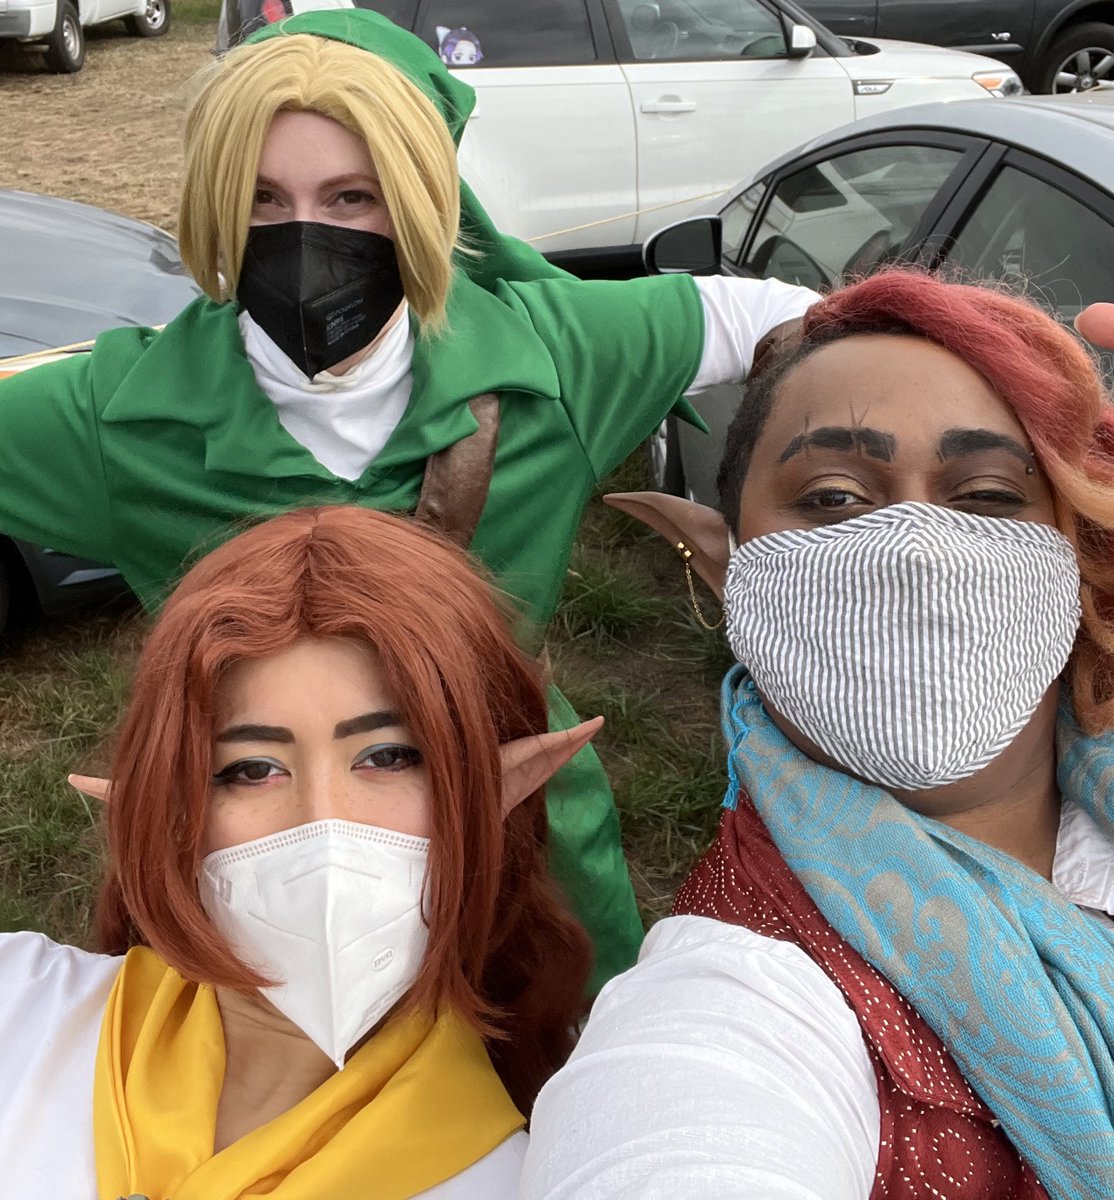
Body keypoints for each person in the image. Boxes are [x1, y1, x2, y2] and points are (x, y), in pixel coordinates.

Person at [0, 9, 816, 990]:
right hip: (269, 857)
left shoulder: (556, 355)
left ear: (422, 201)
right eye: (261, 199)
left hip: (519, 836)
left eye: (353, 197)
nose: (305, 236)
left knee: (550, 1046)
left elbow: (794, 320)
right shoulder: (118, 415)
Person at [521, 270, 1114, 1200]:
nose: (917, 549)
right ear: (727, 566)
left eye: (989, 495)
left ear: (1077, 550)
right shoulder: (730, 1003)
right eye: (834, 496)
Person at [0, 504, 600, 1196]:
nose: (324, 825)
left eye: (388, 756)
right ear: (166, 809)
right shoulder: (20, 1008)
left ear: (497, 789)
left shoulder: (523, 1183)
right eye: (251, 769)